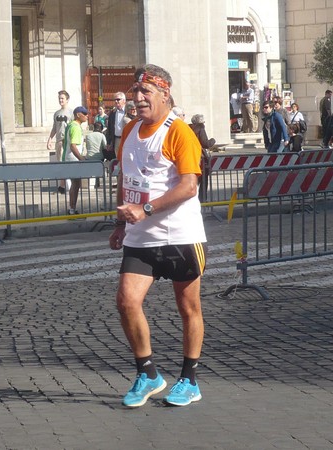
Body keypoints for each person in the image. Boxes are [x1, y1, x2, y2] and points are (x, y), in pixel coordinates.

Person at [108, 64, 207, 408]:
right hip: (140, 236)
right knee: (126, 301)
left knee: (188, 307)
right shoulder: (130, 130)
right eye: (135, 92)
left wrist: (146, 210)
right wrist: (121, 222)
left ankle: (189, 380)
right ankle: (147, 372)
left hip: (181, 235)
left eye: (145, 92)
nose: (138, 99)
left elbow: (189, 186)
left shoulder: (179, 132)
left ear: (164, 94)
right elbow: (127, 178)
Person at [61, 106, 89, 215]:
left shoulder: (70, 125)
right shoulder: (76, 127)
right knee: (76, 184)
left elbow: (64, 142)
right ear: (78, 114)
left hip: (68, 159)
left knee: (75, 184)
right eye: (85, 113)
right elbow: (73, 146)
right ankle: (72, 209)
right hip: (73, 160)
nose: (87, 116)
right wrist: (81, 159)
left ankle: (72, 208)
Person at [46, 90, 73, 193]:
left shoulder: (71, 112)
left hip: (68, 141)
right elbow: (54, 127)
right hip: (59, 141)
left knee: (68, 162)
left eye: (62, 98)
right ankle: (62, 185)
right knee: (61, 162)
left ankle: (68, 185)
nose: (60, 100)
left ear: (67, 100)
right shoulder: (56, 113)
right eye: (59, 98)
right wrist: (50, 139)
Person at [105, 92, 126, 160]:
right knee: (118, 159)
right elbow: (109, 128)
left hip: (126, 139)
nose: (116, 101)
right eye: (115, 100)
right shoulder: (113, 112)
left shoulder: (128, 111)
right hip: (116, 140)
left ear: (124, 100)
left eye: (118, 99)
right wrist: (109, 142)